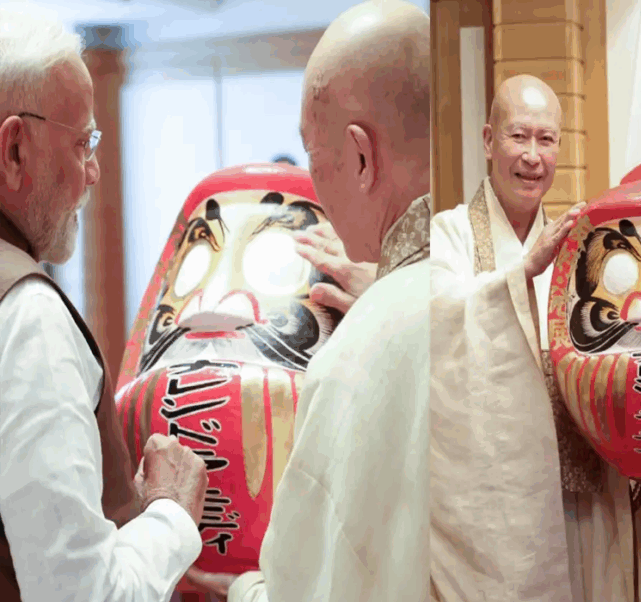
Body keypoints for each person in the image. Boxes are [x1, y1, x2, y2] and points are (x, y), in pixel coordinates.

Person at [186, 1, 431, 600]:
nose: (317, 189)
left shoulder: (368, 343)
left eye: (317, 158)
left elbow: (305, 587)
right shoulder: (521, 280)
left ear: (362, 157)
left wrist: (236, 589)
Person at [0, 6, 209, 602]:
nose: (94, 172)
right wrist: (170, 514)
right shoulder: (27, 318)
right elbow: (83, 593)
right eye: (83, 142)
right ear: (14, 149)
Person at [430, 73, 641, 602]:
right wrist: (521, 272)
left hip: (587, 488)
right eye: (518, 136)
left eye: (546, 140)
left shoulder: (578, 244)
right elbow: (437, 327)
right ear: (488, 140)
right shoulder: (450, 235)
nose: (533, 156)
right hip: (499, 505)